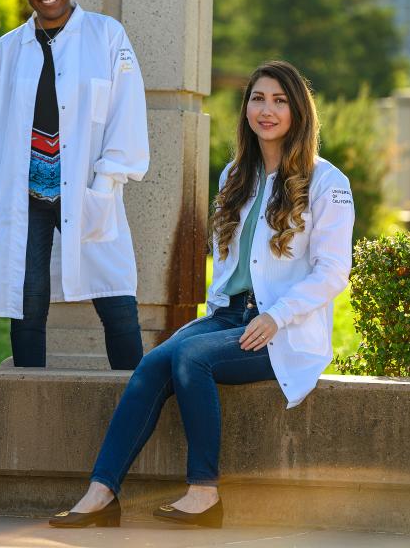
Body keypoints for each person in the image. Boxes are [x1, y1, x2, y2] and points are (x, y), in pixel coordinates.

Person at [49, 60, 355, 528]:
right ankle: (102, 492)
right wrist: (215, 314)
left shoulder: (328, 182)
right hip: (229, 317)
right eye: (258, 99)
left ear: (298, 111)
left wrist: (276, 316)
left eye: (279, 101)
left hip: (281, 328)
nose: (267, 110)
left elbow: (333, 272)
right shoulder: (235, 175)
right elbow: (229, 261)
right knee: (153, 364)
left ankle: (204, 492)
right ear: (246, 108)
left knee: (192, 358)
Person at [0, 0, 150, 369]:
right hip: (24, 194)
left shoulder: (107, 35)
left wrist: (105, 183)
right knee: (27, 303)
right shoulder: (7, 50)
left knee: (116, 299)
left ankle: (135, 392)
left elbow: (126, 111)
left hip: (86, 189)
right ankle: (28, 398)